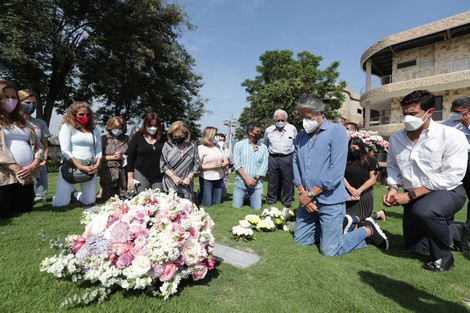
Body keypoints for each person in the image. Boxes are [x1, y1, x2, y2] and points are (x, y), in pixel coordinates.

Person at [293, 94, 388, 256]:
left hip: (330, 200)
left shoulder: (336, 131)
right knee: (301, 240)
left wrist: (309, 194)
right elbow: (295, 163)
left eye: (308, 117)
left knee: (330, 251)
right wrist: (303, 193)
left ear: (321, 113)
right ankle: (342, 226)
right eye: (302, 117)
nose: (304, 121)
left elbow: (335, 171)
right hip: (307, 198)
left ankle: (367, 230)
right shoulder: (301, 136)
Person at [383, 90, 468, 271]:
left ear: (429, 112)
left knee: (424, 211)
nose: (407, 118)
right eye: (404, 113)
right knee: (414, 249)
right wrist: (392, 188)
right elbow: (393, 166)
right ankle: (455, 230)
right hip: (413, 195)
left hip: (447, 191)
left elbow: (451, 175)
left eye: (413, 114)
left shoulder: (451, 136)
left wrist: (411, 195)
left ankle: (444, 257)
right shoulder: (397, 137)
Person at [0, 81, 44, 218]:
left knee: (25, 211)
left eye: (14, 98)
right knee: (4, 213)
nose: (10, 101)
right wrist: (17, 169)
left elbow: (39, 146)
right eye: (6, 97)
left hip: (27, 176)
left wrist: (33, 165)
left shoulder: (23, 122)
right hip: (5, 177)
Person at [52, 101, 101, 207]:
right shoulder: (67, 127)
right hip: (71, 166)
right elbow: (65, 150)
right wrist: (80, 166)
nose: (85, 117)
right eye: (81, 114)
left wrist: (96, 165)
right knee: (60, 204)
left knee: (89, 202)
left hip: (90, 166)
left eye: (88, 114)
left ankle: (74, 193)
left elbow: (99, 151)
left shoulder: (94, 130)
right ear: (73, 114)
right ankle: (60, 196)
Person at [18, 89, 51, 203]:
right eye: (27, 102)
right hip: (19, 166)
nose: (31, 105)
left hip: (38, 163)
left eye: (34, 103)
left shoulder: (40, 123)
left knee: (40, 197)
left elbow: (45, 145)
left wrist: (44, 160)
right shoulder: (10, 122)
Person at [442, 96, 470, 227]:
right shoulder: (448, 124)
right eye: (453, 110)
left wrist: (468, 125)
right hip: (452, 160)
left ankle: (467, 228)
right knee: (448, 193)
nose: (454, 114)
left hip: (469, 160)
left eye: (458, 112)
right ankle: (446, 223)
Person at [345, 137, 385, 221]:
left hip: (364, 193)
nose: (352, 150)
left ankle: (379, 213)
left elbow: (372, 179)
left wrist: (358, 191)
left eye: (354, 148)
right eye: (350, 148)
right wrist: (350, 189)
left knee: (362, 217)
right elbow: (341, 175)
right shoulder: (346, 160)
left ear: (361, 147)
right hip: (349, 192)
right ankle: (379, 213)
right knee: (348, 217)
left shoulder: (370, 160)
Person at [264, 109, 297, 207]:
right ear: (274, 120)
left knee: (287, 180)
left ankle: (287, 200)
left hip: (287, 157)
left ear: (286, 120)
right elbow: (266, 143)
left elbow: (295, 142)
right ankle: (271, 199)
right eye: (278, 120)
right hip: (273, 157)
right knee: (272, 180)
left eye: (282, 120)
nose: (280, 122)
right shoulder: (268, 130)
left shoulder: (292, 129)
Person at [232, 121, 268, 210]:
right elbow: (236, 164)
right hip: (241, 181)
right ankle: (244, 197)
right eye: (257, 132)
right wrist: (246, 179)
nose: (260, 134)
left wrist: (255, 179)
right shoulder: (239, 145)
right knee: (236, 207)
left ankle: (249, 198)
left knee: (257, 208)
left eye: (260, 131)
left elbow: (264, 165)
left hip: (256, 184)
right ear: (250, 132)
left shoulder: (263, 147)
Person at [127, 113, 165, 195]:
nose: (153, 128)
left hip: (159, 175)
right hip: (141, 173)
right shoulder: (137, 137)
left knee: (159, 198)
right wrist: (130, 178)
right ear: (145, 124)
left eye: (155, 126)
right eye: (150, 125)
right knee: (143, 198)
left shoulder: (163, 138)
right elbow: (130, 158)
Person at [160, 121, 199, 202]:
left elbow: (196, 164)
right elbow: (162, 164)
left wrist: (189, 178)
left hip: (187, 184)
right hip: (170, 183)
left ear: (185, 134)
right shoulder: (167, 145)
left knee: (187, 210)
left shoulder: (192, 145)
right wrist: (173, 177)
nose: (178, 138)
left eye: (180, 136)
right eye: (175, 136)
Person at [100, 116, 129, 201]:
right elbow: (98, 157)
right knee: (108, 198)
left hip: (123, 171)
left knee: (123, 197)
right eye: (116, 128)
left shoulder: (127, 139)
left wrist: (123, 156)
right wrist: (113, 157)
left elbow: (131, 155)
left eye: (120, 128)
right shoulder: (103, 139)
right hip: (108, 171)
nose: (118, 130)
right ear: (111, 126)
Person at [198, 127, 229, 206]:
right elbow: (198, 166)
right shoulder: (201, 148)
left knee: (217, 204)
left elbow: (226, 161)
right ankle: (199, 196)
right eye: (216, 135)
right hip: (206, 179)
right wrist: (211, 166)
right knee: (207, 204)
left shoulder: (219, 147)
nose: (217, 137)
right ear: (210, 135)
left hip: (219, 178)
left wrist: (221, 165)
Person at [217, 133, 233, 200]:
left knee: (223, 195)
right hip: (213, 173)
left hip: (224, 173)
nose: (221, 142)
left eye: (223, 140)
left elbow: (231, 163)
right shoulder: (212, 150)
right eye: (220, 140)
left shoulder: (228, 151)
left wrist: (227, 168)